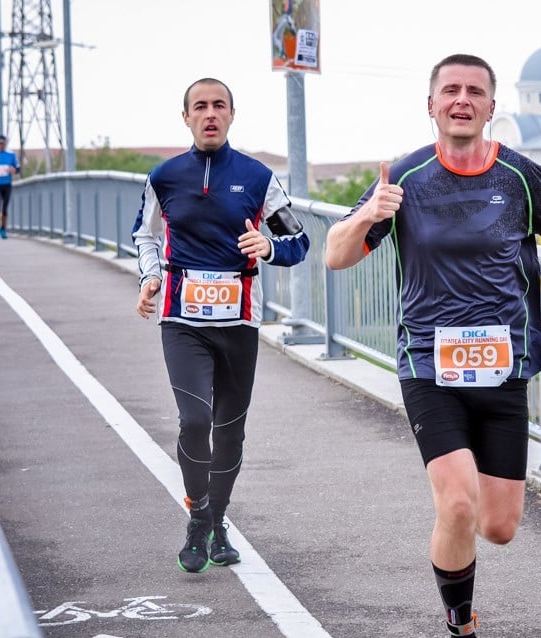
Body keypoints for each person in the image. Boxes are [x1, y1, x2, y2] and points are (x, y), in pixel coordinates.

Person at [324, 53, 541, 638]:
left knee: (498, 526)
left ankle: (457, 551)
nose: (461, 99)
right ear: (431, 104)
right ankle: (460, 622)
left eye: (474, 91)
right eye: (450, 90)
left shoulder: (518, 175)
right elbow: (335, 256)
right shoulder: (405, 179)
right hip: (428, 365)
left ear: (492, 107)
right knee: (459, 504)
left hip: (504, 368)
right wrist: (371, 211)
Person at [132, 77, 310, 574]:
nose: (210, 114)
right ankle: (198, 519)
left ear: (232, 114)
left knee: (230, 432)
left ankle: (218, 520)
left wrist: (269, 247)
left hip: (239, 323)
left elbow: (299, 243)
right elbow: (144, 235)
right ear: (185, 116)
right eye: (200, 106)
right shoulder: (164, 177)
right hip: (181, 319)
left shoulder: (257, 177)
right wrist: (151, 277)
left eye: (219, 106)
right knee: (194, 422)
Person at [0, 134, 22, 239]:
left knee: (5, 208)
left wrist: (14, 170)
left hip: (7, 184)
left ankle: (3, 229)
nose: (1, 146)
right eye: (0, 144)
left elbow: (18, 168)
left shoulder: (11, 155)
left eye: (3, 144)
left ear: (6, 143)